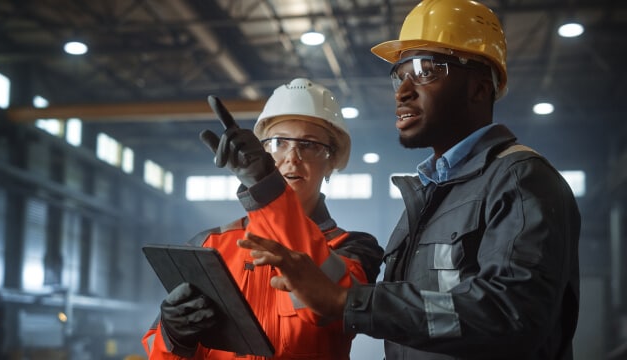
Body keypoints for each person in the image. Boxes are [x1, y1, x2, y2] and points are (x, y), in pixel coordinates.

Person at [237, 1, 581, 359]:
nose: (403, 91)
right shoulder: (430, 197)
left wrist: (346, 300)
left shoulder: (520, 181)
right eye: (400, 75)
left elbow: (512, 317)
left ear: (479, 89)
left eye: (425, 72)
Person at [142, 78, 384, 359]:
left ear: (331, 162)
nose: (292, 158)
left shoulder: (355, 248)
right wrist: (174, 337)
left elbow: (332, 307)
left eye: (309, 145)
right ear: (262, 151)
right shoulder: (209, 244)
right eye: (279, 143)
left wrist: (265, 187)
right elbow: (156, 350)